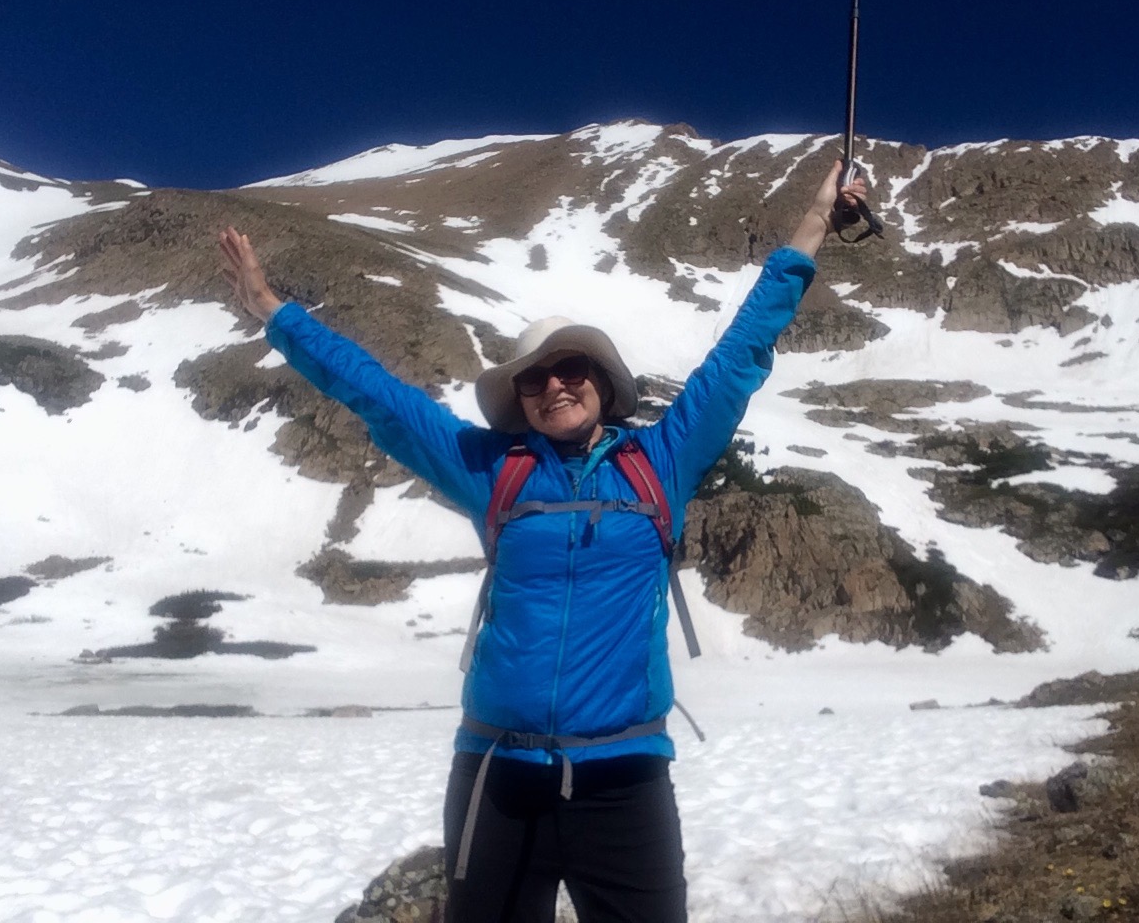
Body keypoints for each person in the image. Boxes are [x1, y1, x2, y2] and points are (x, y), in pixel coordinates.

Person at [219, 159, 867, 923]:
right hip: (497, 777)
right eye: (534, 378)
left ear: (600, 379)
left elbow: (741, 353)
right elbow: (378, 395)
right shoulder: (491, 470)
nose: (554, 384)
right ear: (519, 400)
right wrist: (273, 312)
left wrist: (815, 222)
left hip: (624, 779)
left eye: (570, 367)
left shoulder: (661, 459)